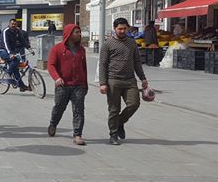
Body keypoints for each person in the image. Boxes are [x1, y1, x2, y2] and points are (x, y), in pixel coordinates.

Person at [100, 17, 149, 146]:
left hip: (130, 80)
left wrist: (142, 78)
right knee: (114, 109)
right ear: (115, 29)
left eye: (124, 28)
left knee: (134, 104)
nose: (122, 31)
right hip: (113, 80)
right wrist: (102, 83)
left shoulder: (132, 43)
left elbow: (137, 62)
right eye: (119, 28)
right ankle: (113, 134)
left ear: (127, 28)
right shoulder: (107, 44)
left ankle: (120, 122)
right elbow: (103, 64)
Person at [47, 24, 88, 145]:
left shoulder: (82, 50)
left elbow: (84, 68)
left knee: (78, 110)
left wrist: (85, 84)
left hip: (79, 85)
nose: (79, 34)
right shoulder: (57, 49)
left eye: (79, 32)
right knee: (59, 107)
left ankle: (77, 134)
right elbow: (51, 65)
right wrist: (57, 78)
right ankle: (53, 123)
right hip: (63, 85)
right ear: (69, 34)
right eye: (76, 32)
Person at [0, 19, 31, 91]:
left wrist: (29, 48)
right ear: (9, 24)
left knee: (16, 68)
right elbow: (5, 43)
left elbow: (22, 40)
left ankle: (21, 86)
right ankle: (8, 73)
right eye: (12, 24)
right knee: (16, 60)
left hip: (12, 51)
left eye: (15, 24)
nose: (13, 25)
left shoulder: (17, 31)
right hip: (3, 50)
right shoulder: (6, 31)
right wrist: (10, 53)